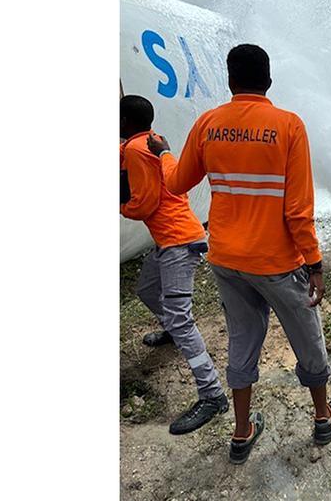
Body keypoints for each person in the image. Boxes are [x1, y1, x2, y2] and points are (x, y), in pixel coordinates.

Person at [147, 44, 331, 464]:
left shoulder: (209, 124)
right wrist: (314, 263)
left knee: (241, 341)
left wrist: (163, 153)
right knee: (307, 339)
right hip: (277, 263)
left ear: (231, 80)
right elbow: (298, 209)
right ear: (269, 82)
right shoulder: (288, 126)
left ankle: (241, 434)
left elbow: (179, 182)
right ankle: (323, 416)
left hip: (226, 260)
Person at [119, 95, 228, 435]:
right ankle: (171, 330)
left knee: (182, 318)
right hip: (174, 238)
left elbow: (145, 202)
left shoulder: (136, 151)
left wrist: (123, 207)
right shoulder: (148, 143)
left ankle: (212, 394)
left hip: (178, 241)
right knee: (148, 290)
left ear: (123, 122)